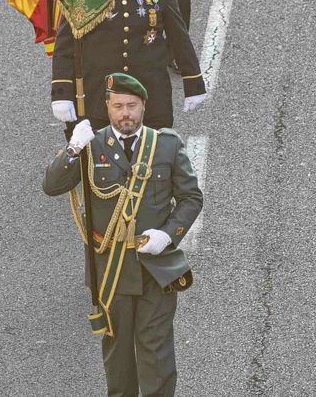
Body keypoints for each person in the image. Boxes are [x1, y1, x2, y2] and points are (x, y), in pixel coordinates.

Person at [42, 72, 201, 397]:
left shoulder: (165, 145)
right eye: (118, 106)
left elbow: (191, 198)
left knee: (156, 355)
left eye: (131, 105)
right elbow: (52, 187)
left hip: (155, 267)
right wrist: (72, 150)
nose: (125, 113)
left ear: (143, 106)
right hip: (111, 269)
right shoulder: (92, 144)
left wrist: (168, 236)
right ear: (108, 107)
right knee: (118, 361)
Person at [49, 0, 205, 129]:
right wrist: (62, 92)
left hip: (151, 97)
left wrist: (193, 81)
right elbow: (66, 43)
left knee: (155, 158)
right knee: (99, 161)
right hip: (98, 98)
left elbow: (178, 36)